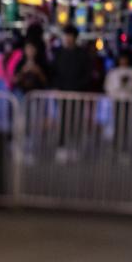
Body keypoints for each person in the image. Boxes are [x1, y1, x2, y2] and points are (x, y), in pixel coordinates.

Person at [51, 27, 94, 162]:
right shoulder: (58, 53)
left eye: (70, 36)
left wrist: (79, 87)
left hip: (78, 93)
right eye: (66, 36)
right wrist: (58, 87)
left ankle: (75, 146)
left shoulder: (83, 54)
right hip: (62, 93)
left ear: (75, 38)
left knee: (77, 120)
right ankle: (62, 147)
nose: (68, 38)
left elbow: (88, 74)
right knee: (62, 120)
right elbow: (54, 72)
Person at [105, 49, 132, 159]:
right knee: (117, 124)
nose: (123, 61)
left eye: (125, 59)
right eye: (121, 59)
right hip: (117, 101)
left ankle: (124, 149)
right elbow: (108, 87)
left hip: (128, 100)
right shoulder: (113, 72)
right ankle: (116, 147)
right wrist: (118, 87)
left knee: (126, 124)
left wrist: (128, 84)